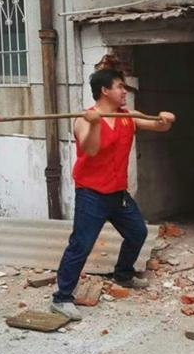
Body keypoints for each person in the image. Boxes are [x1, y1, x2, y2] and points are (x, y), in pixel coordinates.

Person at [50, 67, 176, 320]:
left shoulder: (128, 116)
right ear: (105, 90)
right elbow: (91, 150)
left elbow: (158, 126)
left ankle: (123, 274)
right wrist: (95, 124)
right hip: (91, 193)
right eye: (120, 86)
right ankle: (61, 298)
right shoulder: (84, 120)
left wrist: (166, 119)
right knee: (81, 244)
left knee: (137, 232)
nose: (124, 91)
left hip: (117, 193)